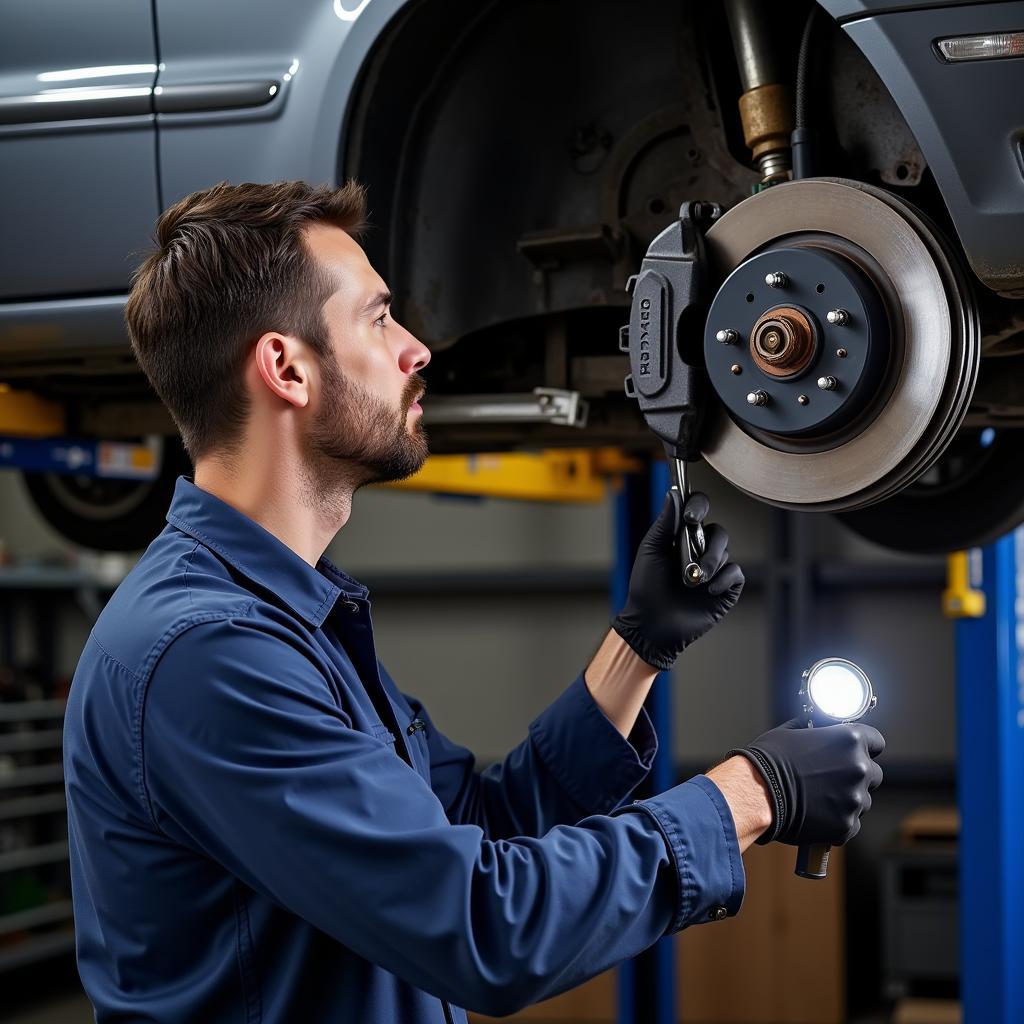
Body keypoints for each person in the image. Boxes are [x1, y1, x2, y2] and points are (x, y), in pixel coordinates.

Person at [63, 180, 885, 1023]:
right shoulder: (206, 654)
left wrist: (636, 650)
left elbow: (477, 827)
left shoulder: (282, 620)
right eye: (379, 320)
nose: (417, 349)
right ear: (286, 369)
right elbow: (482, 926)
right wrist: (754, 793)